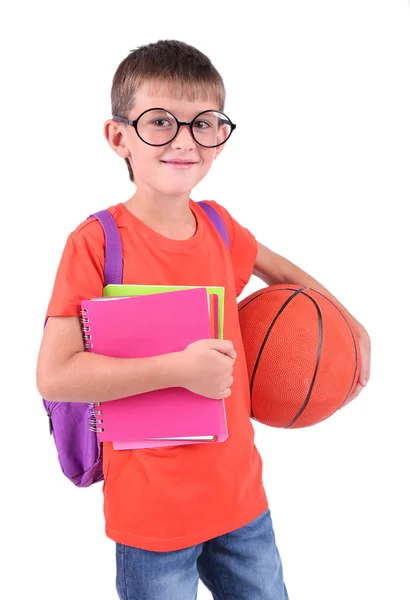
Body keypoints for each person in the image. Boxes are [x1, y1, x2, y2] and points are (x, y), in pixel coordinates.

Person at [36, 39, 371, 600]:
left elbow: (284, 273)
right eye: (160, 121)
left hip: (242, 502)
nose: (184, 141)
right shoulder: (97, 242)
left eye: (204, 123)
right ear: (118, 136)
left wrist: (350, 327)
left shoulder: (219, 227)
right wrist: (177, 370)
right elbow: (55, 375)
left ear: (220, 136)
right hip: (152, 519)